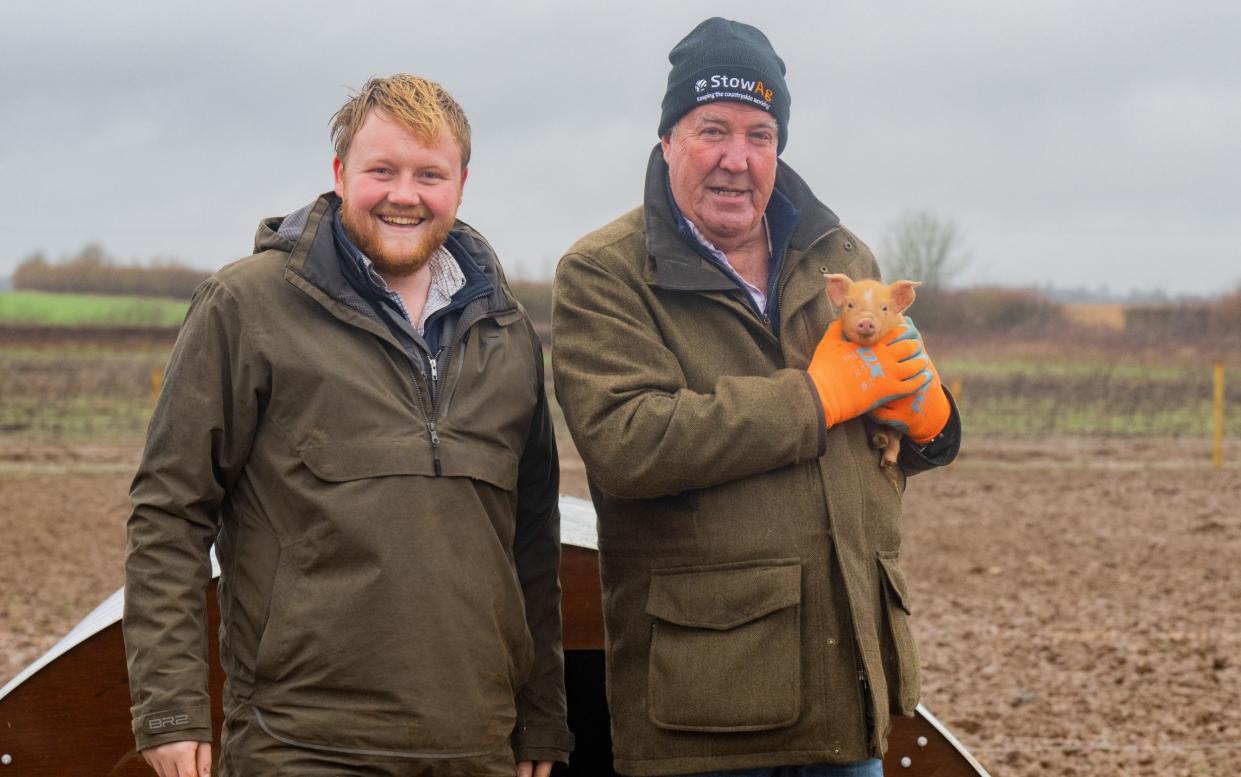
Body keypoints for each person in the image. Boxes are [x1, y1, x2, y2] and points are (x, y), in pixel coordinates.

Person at [124, 74, 572, 777]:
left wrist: (541, 716)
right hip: (301, 744)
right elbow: (169, 513)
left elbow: (531, 543)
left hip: (473, 743)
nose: (405, 194)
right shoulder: (245, 308)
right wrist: (170, 705)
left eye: (429, 173)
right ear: (339, 174)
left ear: (460, 182)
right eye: (382, 170)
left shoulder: (506, 331)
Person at [551, 18, 961, 777]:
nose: (736, 159)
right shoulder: (604, 273)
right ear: (668, 138)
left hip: (848, 693)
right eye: (712, 130)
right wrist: (813, 399)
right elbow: (629, 443)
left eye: (759, 134)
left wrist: (930, 423)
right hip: (711, 710)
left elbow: (873, 433)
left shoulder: (839, 257)